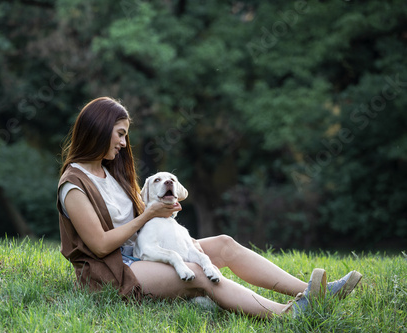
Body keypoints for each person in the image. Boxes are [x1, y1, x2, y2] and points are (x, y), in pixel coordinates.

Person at [57, 97, 362, 319]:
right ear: (98, 129)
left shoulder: (110, 172)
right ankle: (286, 315)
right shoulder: (73, 184)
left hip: (139, 254)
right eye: (120, 134)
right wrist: (148, 215)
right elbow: (98, 245)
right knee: (197, 273)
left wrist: (164, 207)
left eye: (126, 135)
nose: (124, 143)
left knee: (224, 245)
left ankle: (315, 294)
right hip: (112, 271)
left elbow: (143, 217)